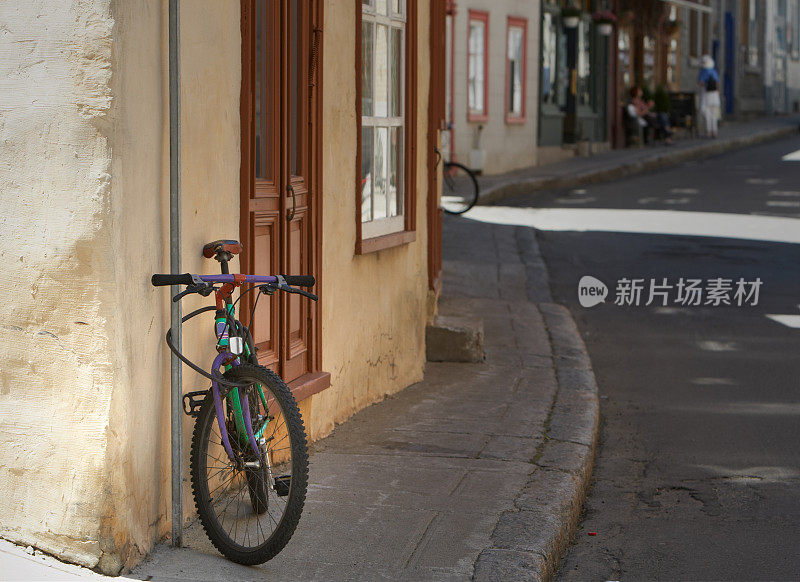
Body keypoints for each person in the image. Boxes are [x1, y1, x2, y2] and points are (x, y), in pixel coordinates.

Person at [698, 54, 721, 138]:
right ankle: (715, 131)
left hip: (706, 95)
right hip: (715, 96)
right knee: (714, 115)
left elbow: (701, 83)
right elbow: (717, 84)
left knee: (707, 114)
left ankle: (708, 131)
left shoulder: (703, 72)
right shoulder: (714, 72)